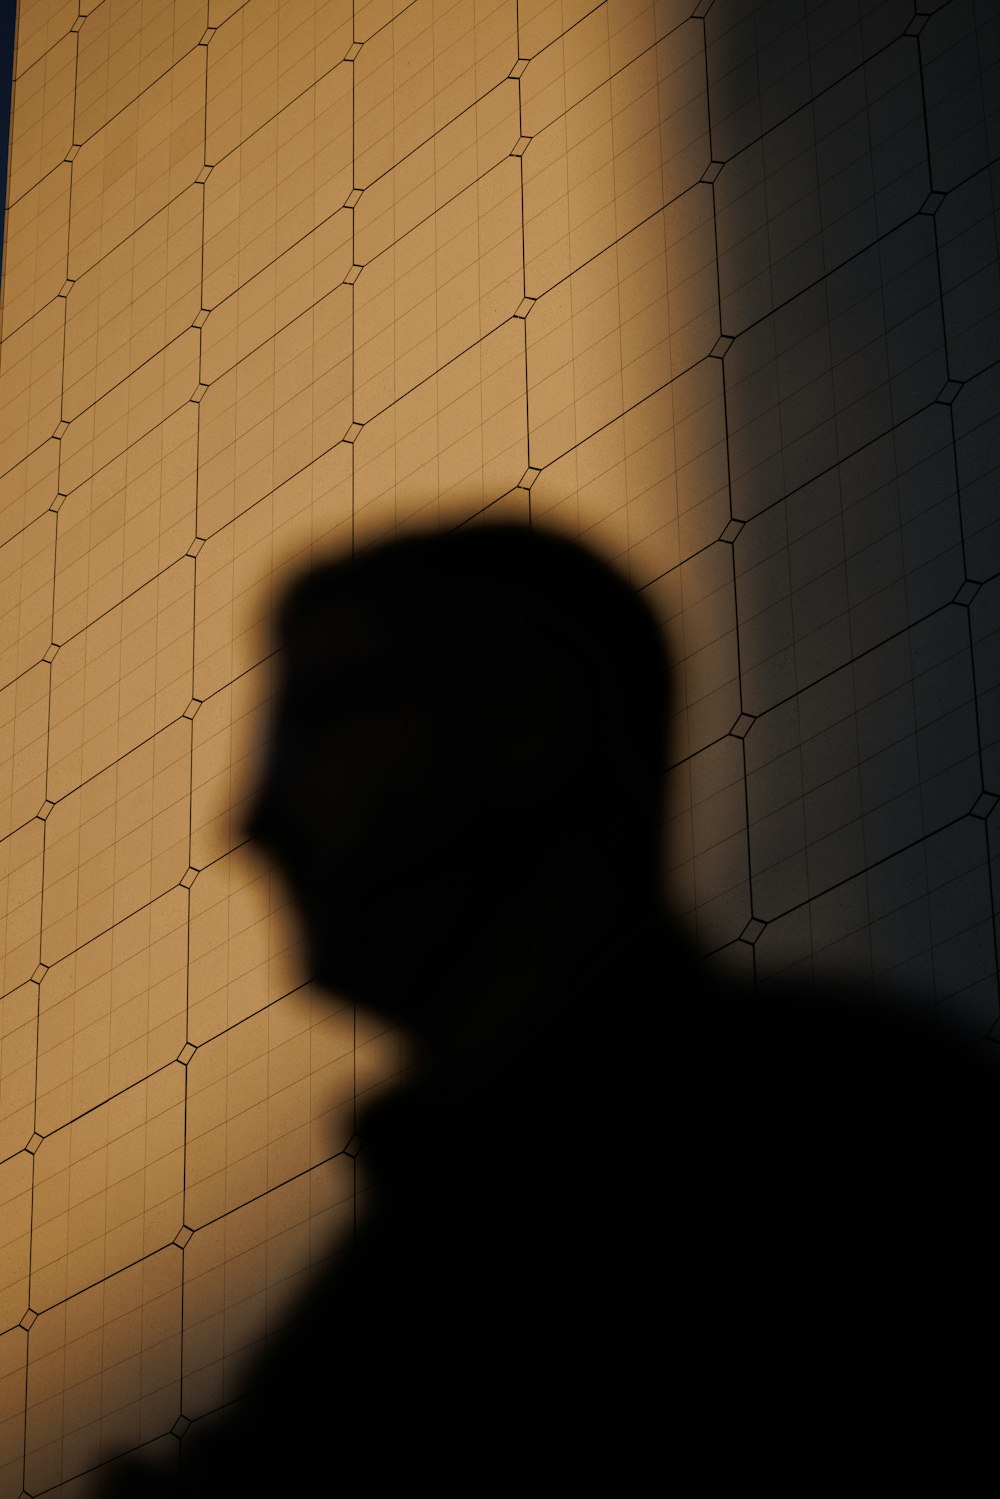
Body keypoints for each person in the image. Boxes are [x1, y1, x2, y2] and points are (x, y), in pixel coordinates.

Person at [111, 524, 997, 1494]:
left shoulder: (844, 1130)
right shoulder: (369, 1301)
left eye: (325, 719)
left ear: (527, 721)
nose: (251, 819)